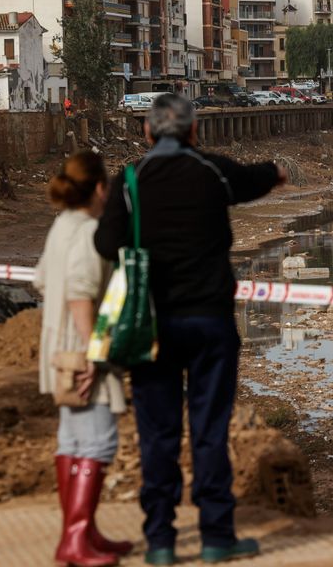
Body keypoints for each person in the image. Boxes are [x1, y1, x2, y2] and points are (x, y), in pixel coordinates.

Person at [94, 94, 288, 566]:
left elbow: (104, 242)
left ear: (147, 131)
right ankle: (217, 535)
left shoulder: (131, 181)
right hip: (209, 320)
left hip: (151, 326)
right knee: (209, 427)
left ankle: (160, 540)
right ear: (194, 131)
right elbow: (256, 178)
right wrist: (277, 172)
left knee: (157, 432)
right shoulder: (212, 171)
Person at [35, 152, 130, 567]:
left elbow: (41, 280)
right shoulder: (91, 231)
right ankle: (74, 540)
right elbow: (79, 291)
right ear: (98, 189)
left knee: (72, 439)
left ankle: (82, 532)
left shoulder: (61, 226)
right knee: (98, 440)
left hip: (58, 346)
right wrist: (95, 353)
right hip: (82, 348)